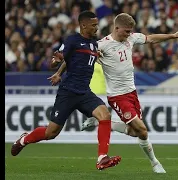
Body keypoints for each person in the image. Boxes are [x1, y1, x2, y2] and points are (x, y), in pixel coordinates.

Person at [49, 13, 178, 173]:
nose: (129, 35)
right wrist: (59, 73)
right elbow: (73, 56)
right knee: (142, 130)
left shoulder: (131, 39)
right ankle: (155, 163)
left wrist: (173, 36)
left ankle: (96, 122)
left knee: (135, 132)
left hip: (132, 93)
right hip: (117, 96)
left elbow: (151, 38)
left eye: (130, 32)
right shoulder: (102, 45)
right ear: (117, 28)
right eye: (126, 31)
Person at [10, 11, 121, 171]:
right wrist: (56, 66)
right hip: (68, 92)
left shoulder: (93, 44)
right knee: (51, 133)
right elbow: (60, 58)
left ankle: (102, 158)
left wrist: (95, 55)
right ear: (83, 25)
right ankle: (24, 139)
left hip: (84, 92)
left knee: (105, 116)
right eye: (94, 25)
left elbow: (73, 59)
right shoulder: (72, 40)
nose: (97, 28)